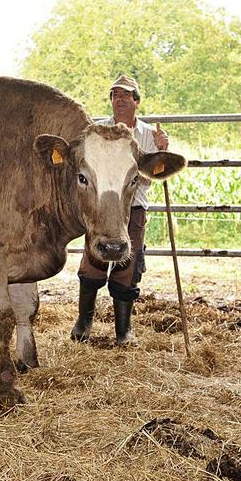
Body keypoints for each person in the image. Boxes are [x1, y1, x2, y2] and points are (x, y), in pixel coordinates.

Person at [70, 74, 169, 346]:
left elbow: (153, 175)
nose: (120, 100)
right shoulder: (96, 132)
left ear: (137, 101)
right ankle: (84, 322)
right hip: (102, 208)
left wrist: (161, 152)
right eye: (115, 95)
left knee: (128, 268)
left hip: (133, 208)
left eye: (126, 95)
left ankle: (123, 331)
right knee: (91, 264)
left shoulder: (149, 136)